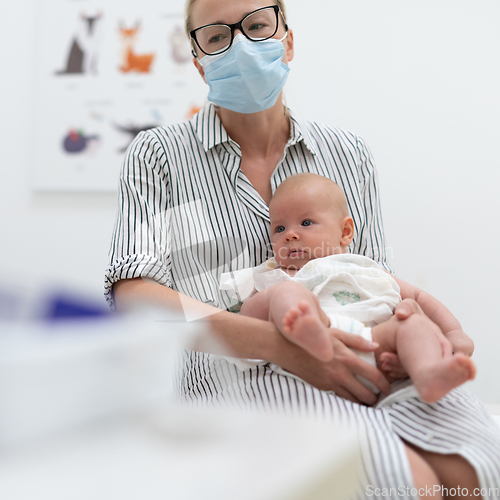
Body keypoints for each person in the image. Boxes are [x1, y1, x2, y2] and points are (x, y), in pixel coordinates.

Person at [105, 0, 500, 496]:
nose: (241, 44)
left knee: (472, 473)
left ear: (287, 38)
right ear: (199, 60)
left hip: (365, 351)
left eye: (256, 25)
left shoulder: (349, 153)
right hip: (242, 374)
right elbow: (134, 296)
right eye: (215, 36)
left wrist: (423, 340)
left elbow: (374, 278)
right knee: (407, 480)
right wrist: (278, 345)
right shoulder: (159, 154)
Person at [220, 173, 476, 403]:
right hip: (309, 354)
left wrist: (454, 332)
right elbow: (247, 315)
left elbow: (419, 296)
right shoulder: (276, 273)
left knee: (413, 324)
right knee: (286, 294)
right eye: (279, 228)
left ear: (345, 232)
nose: (290, 235)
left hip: (377, 344)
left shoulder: (367, 266)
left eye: (306, 223)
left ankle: (427, 374)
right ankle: (310, 327)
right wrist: (274, 297)